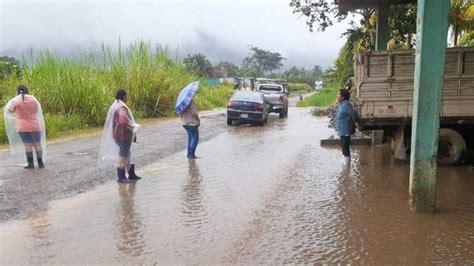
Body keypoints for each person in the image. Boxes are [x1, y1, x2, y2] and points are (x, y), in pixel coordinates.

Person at [98, 88, 141, 183]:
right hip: (123, 136)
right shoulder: (122, 107)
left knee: (126, 153)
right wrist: (133, 126)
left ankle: (131, 174)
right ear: (124, 96)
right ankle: (121, 176)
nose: (127, 98)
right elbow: (123, 122)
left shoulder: (115, 105)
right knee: (123, 155)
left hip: (117, 134)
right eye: (127, 96)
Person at [4, 85, 47, 169]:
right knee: (37, 143)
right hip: (35, 125)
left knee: (28, 145)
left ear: (18, 91)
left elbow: (10, 110)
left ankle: (30, 163)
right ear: (27, 90)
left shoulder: (15, 101)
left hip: (23, 126)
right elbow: (37, 109)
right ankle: (40, 162)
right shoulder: (33, 99)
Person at [336, 89, 356, 163]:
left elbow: (353, 114)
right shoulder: (342, 104)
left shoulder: (346, 105)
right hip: (342, 129)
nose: (337, 96)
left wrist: (352, 123)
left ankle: (347, 165)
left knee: (345, 146)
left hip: (346, 129)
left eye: (338, 94)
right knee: (344, 146)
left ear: (343, 97)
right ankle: (347, 162)